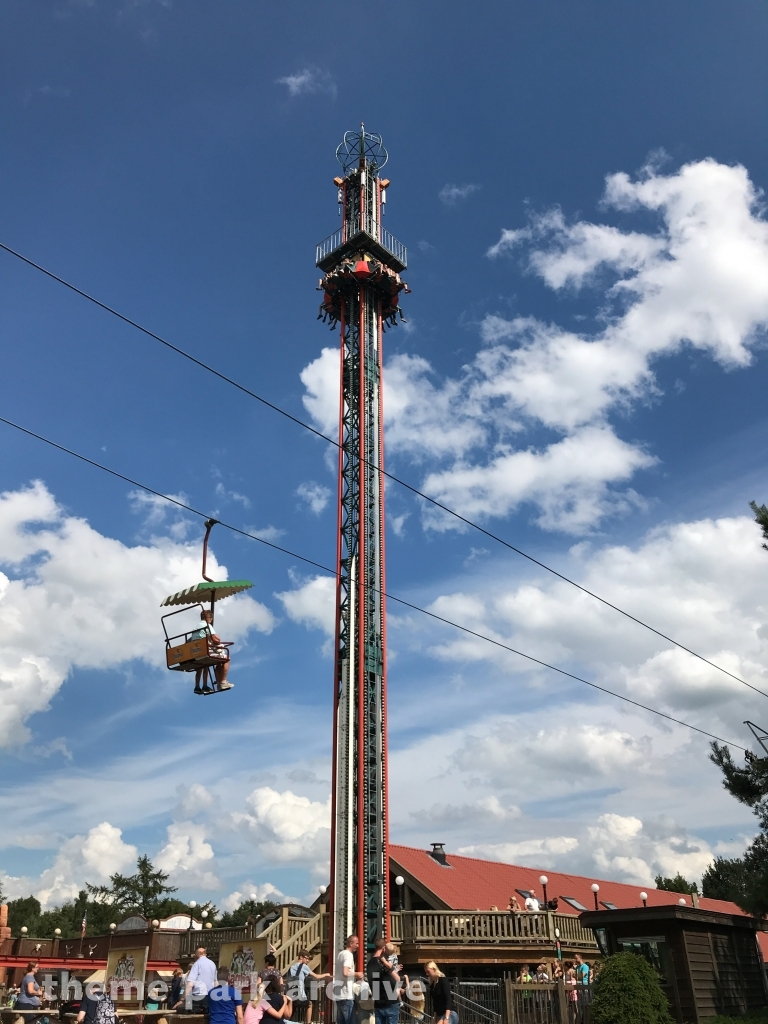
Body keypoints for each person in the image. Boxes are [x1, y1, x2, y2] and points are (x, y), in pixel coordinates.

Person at [190, 608, 233, 693]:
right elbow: (215, 639)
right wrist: (218, 639)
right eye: (211, 618)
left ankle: (198, 686)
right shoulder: (207, 626)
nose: (211, 620)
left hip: (196, 652)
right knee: (226, 658)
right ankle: (222, 682)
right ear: (208, 618)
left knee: (204, 667)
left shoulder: (196, 627)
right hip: (206, 650)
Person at [285, 949, 330, 1023]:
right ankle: (308, 1022)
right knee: (309, 1004)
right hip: (300, 994)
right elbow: (316, 976)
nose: (307, 960)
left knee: (292, 1012)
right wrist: (326, 974)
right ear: (301, 957)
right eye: (306, 958)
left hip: (290, 994)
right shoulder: (303, 966)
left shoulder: (291, 967)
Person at [367, 938, 400, 1024]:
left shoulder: (370, 963)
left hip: (378, 1003)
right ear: (383, 948)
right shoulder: (383, 963)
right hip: (391, 1001)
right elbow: (397, 978)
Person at [334, 934, 363, 1024]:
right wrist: (356, 974)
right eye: (356, 943)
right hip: (346, 995)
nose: (358, 946)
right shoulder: (348, 955)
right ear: (351, 943)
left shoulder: (340, 954)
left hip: (339, 995)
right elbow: (345, 972)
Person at [184, 945, 218, 1013]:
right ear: (205, 953)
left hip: (198, 996)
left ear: (197, 954)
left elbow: (190, 984)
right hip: (210, 996)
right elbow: (216, 983)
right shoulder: (212, 964)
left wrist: (184, 999)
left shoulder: (197, 964)